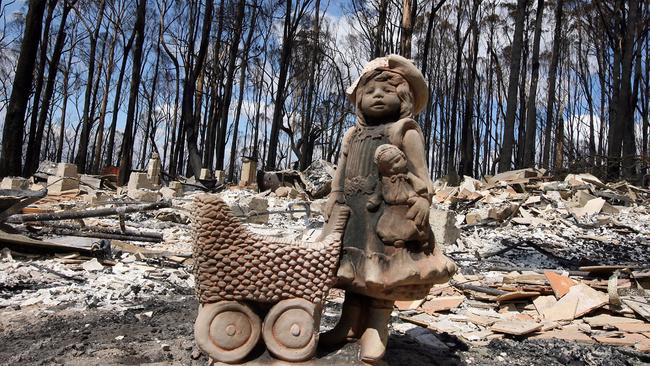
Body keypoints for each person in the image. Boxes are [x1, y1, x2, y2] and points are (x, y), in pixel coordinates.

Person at [319, 55, 457, 364]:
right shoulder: (352, 135)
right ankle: (349, 323)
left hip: (389, 215)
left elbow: (423, 178)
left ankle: (377, 328)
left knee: (383, 274)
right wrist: (335, 194)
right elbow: (340, 173)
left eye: (387, 89)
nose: (377, 95)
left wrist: (423, 200)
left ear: (404, 98)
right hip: (353, 215)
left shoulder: (404, 132)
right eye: (370, 91)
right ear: (359, 101)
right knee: (352, 270)